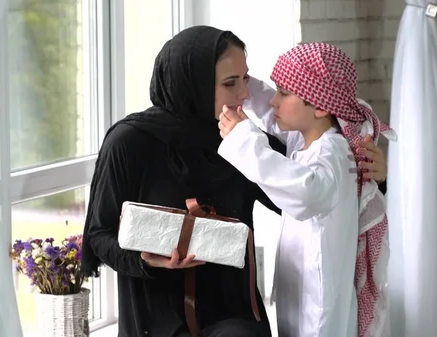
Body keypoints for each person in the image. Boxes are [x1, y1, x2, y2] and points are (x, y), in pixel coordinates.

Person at [80, 26, 388, 337]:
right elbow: (98, 236)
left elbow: (304, 191)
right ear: (194, 84)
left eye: (245, 80)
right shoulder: (129, 142)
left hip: (234, 318)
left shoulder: (239, 140)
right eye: (231, 83)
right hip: (156, 319)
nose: (246, 95)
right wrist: (148, 261)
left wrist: (372, 173)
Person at [216, 42, 395, 337]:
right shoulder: (308, 137)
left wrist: (243, 139)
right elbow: (265, 104)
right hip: (301, 296)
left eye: (284, 93)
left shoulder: (335, 153)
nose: (274, 101)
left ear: (321, 105)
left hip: (319, 311)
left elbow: (308, 193)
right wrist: (241, 87)